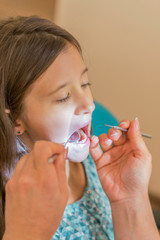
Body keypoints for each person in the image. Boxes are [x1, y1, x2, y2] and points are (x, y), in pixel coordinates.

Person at [0, 16, 159, 240]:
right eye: (63, 97)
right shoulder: (14, 210)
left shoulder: (95, 163)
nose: (89, 105)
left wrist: (131, 198)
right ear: (16, 118)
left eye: (85, 84)